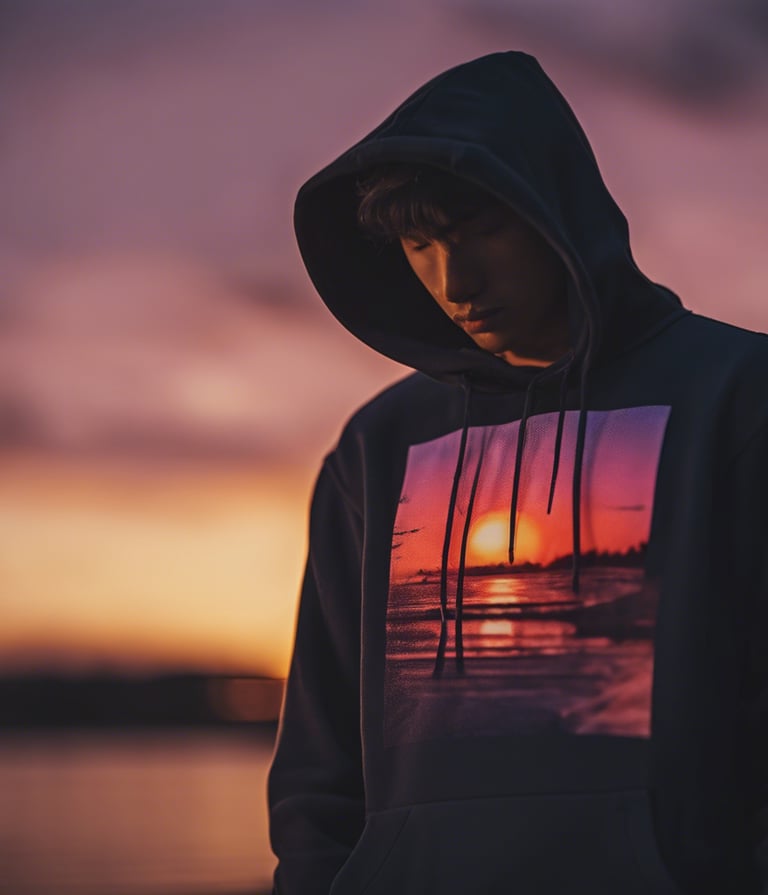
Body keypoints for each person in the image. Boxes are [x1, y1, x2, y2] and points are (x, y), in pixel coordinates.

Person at [267, 51, 767, 895]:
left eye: (479, 229)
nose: (454, 281)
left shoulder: (737, 397)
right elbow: (323, 762)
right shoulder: (378, 445)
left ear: (554, 207)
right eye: (421, 245)